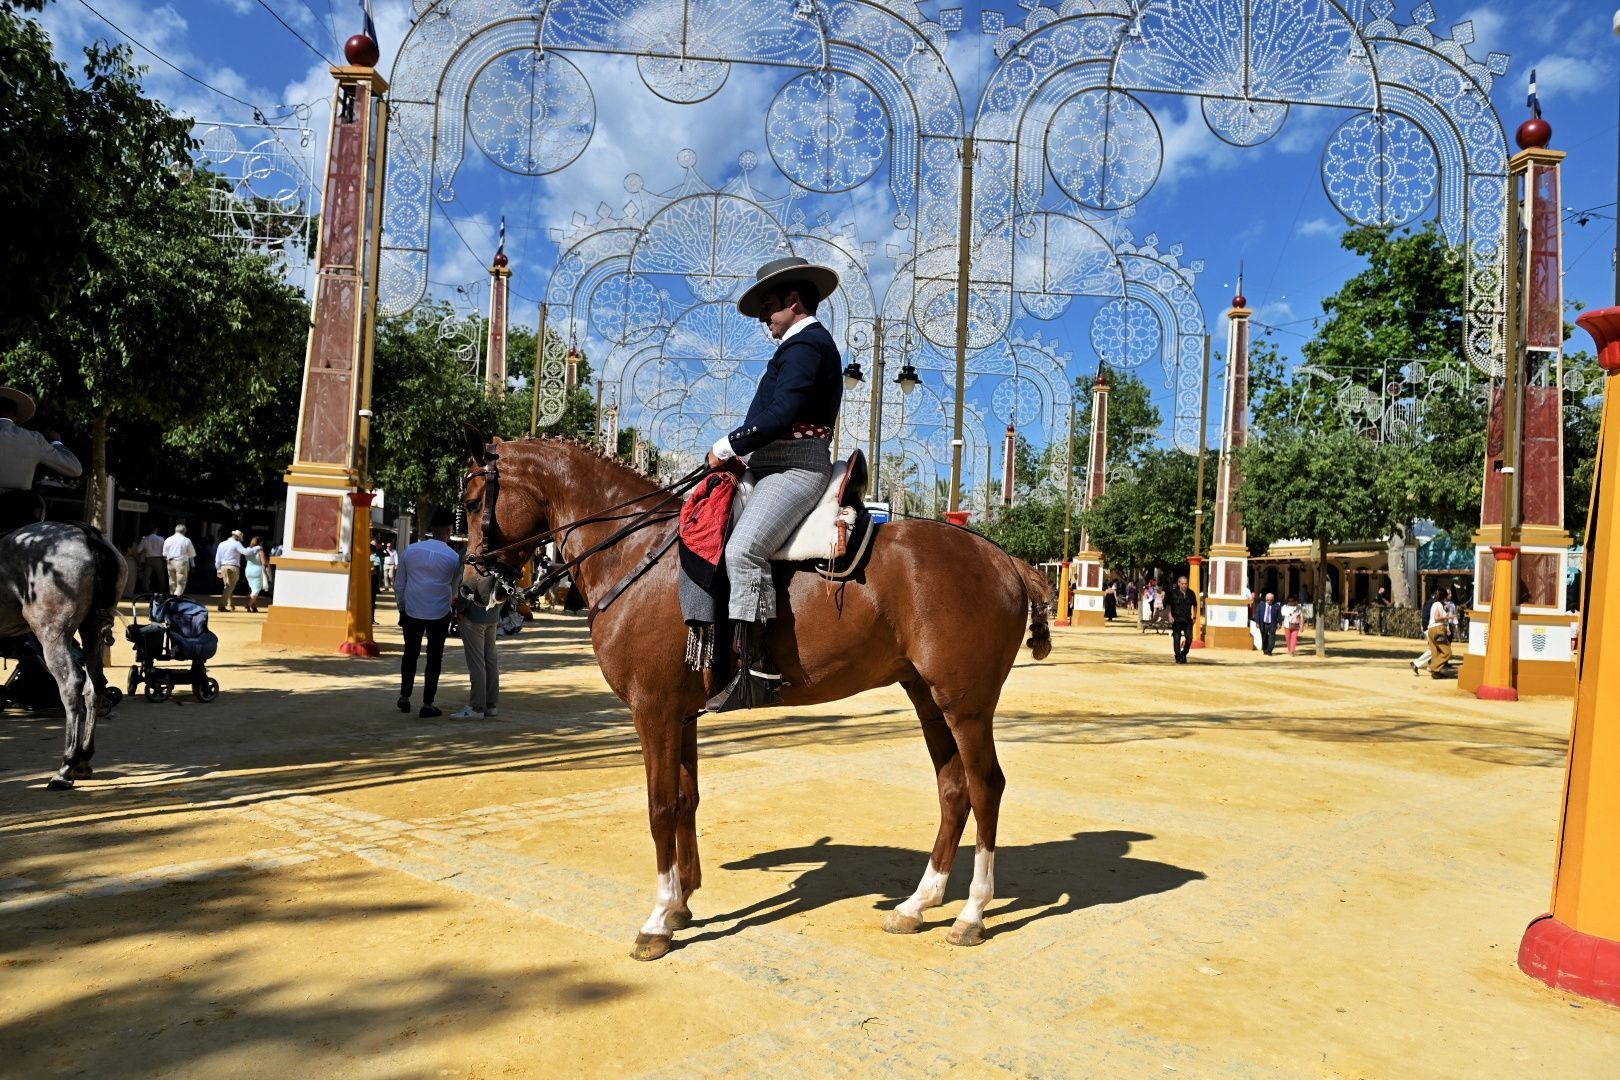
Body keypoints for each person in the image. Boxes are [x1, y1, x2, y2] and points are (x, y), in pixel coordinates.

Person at [703, 256, 844, 712]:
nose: (765, 316)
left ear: (794, 302)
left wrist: (726, 446)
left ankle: (755, 671)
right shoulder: (795, 346)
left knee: (743, 550)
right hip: (767, 466)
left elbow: (780, 417)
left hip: (795, 468)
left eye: (769, 307)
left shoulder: (807, 346)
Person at [396, 508, 461, 718]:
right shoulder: (453, 557)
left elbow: (400, 585)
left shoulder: (410, 550)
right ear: (449, 531)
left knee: (410, 655)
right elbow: (454, 588)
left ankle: (405, 697)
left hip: (412, 609)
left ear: (431, 529)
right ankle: (428, 703)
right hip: (439, 611)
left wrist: (402, 608)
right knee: (434, 658)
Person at [0, 386, 81, 534]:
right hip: (20, 513)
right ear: (16, 415)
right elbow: (75, 468)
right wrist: (56, 442)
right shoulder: (34, 439)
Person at [450, 574, 501, 720]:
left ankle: (476, 706)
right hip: (493, 614)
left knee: (477, 662)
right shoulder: (499, 557)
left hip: (473, 615)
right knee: (490, 660)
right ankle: (491, 705)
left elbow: (466, 583)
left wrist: (460, 609)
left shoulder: (474, 556)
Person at [1421, 587, 1457, 679]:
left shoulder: (1434, 604)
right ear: (1444, 596)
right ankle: (1432, 668)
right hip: (1438, 629)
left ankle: (1436, 673)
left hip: (1431, 630)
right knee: (1447, 652)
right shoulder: (1438, 605)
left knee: (1435, 652)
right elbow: (1437, 618)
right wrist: (1449, 617)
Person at [1165, 574, 1198, 663]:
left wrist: (1194, 616)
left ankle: (1184, 653)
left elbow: (1195, 605)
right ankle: (1178, 656)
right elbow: (1168, 605)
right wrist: (1170, 615)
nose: (1184, 585)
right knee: (1176, 638)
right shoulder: (1173, 593)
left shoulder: (1191, 593)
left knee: (1189, 638)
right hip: (1176, 620)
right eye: (1183, 584)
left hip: (1187, 620)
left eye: (1186, 584)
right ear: (1179, 583)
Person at [214, 529, 249, 612]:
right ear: (238, 537)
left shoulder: (222, 544)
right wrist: (255, 549)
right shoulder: (237, 544)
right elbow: (245, 552)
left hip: (223, 566)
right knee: (230, 586)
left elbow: (217, 558)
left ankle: (231, 604)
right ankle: (221, 605)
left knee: (228, 586)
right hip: (233, 567)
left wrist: (218, 569)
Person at [162, 524, 196, 596]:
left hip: (170, 562)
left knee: (172, 583)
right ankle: (176, 598)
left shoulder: (168, 539)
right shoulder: (186, 540)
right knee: (181, 583)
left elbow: (164, 554)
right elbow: (192, 554)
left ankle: (172, 598)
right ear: (184, 531)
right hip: (181, 562)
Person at [242, 535, 268, 613]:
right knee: (256, 590)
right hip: (257, 570)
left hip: (248, 570)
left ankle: (253, 606)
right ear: (260, 542)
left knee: (253, 589)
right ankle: (249, 604)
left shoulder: (248, 551)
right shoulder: (260, 551)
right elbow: (264, 562)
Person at [1252, 590, 1282, 655]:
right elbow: (1257, 614)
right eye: (1268, 600)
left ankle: (1270, 650)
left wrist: (1280, 623)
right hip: (1263, 624)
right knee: (1264, 637)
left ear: (1273, 600)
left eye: (1271, 600)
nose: (1269, 601)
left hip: (1272, 624)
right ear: (1266, 599)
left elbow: (1279, 615)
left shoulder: (1276, 606)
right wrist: (1257, 622)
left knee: (1272, 637)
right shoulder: (1261, 605)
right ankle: (1265, 649)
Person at [137, 528, 165, 594]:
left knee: (146, 577)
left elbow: (138, 550)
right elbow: (164, 550)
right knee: (161, 577)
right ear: (156, 530)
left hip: (148, 559)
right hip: (158, 559)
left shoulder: (145, 539)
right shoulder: (161, 538)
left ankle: (146, 592)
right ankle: (161, 592)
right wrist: (165, 559)